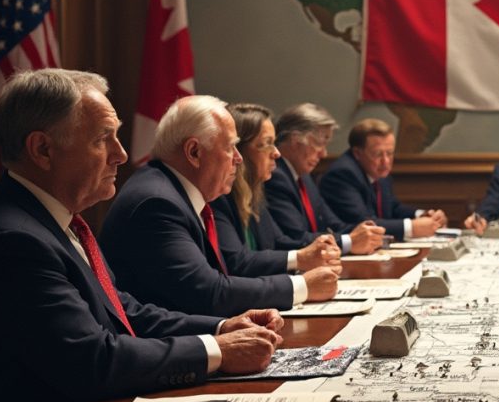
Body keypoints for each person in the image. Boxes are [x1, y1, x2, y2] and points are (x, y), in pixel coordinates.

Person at [0, 69, 282, 402]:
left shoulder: (56, 218)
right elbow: (91, 361)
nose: (122, 155)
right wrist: (216, 351)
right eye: (102, 139)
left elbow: (124, 310)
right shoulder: (12, 239)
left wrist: (220, 328)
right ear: (42, 149)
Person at [101, 96, 340, 317]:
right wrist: (302, 286)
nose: (238, 158)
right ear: (194, 152)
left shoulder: (174, 191)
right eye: (229, 147)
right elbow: (208, 292)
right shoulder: (157, 203)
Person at [210, 103, 343, 277]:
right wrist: (300, 258)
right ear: (238, 150)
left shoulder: (254, 190)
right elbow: (236, 262)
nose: (276, 153)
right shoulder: (218, 197)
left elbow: (277, 241)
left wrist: (317, 250)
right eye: (266, 144)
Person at [264, 103, 384, 253]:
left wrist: (366, 233)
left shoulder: (305, 177)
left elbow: (332, 224)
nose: (324, 154)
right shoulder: (274, 176)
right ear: (295, 140)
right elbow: (295, 237)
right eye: (320, 144)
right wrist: (349, 241)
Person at [320, 118, 447, 239]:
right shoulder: (342, 174)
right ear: (357, 153)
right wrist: (411, 227)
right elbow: (364, 223)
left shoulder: (377, 170)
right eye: (378, 154)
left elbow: (393, 207)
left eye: (390, 153)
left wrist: (421, 215)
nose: (385, 161)